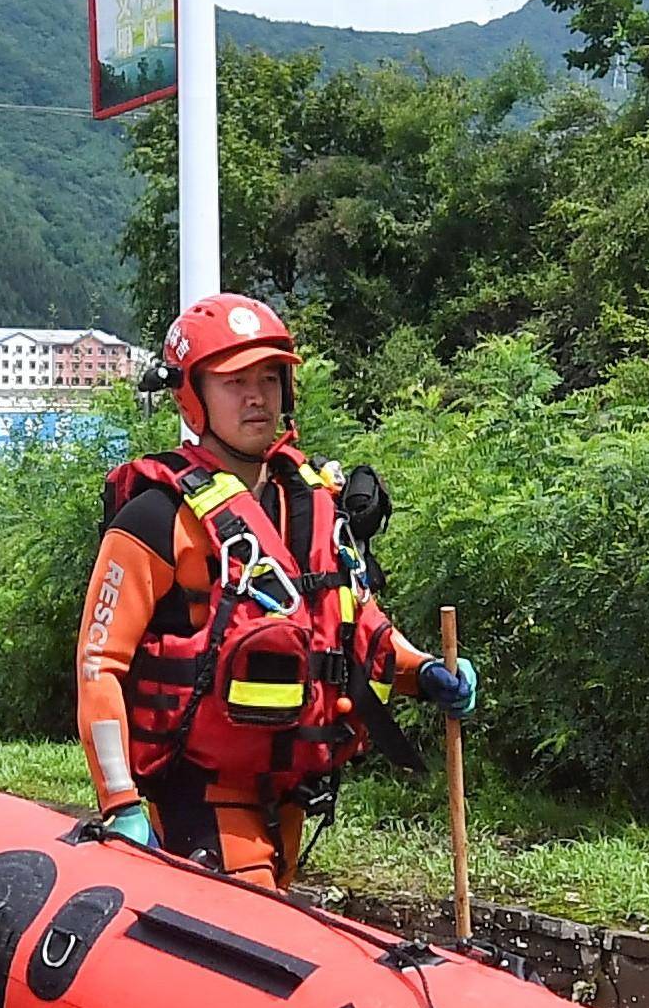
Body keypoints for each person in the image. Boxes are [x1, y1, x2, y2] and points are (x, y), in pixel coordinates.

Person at [74, 290, 475, 886]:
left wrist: (422, 672)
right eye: (235, 381)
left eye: (269, 377)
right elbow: (98, 665)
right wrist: (120, 803)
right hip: (198, 795)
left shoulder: (309, 502)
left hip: (288, 793)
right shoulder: (157, 519)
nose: (257, 396)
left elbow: (348, 619)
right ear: (194, 395)